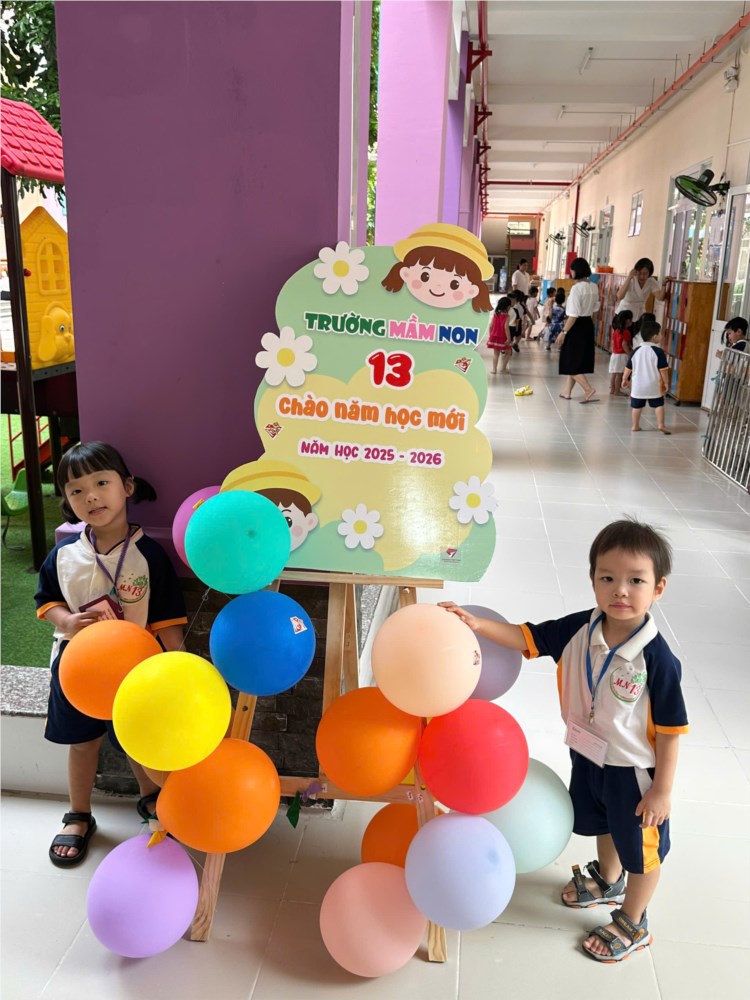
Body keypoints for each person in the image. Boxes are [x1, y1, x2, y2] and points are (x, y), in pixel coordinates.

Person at [439, 518, 688, 963]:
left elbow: (670, 733)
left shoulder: (658, 659)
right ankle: (608, 879)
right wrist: (476, 624)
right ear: (592, 580)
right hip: (588, 754)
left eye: (636, 581)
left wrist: (662, 790)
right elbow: (526, 637)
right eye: (607, 578)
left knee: (642, 852)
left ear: (659, 588)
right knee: (602, 824)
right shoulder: (580, 629)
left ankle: (634, 920)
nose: (620, 591)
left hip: (633, 774)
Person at [35, 441, 187, 866]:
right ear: (67, 501)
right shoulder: (64, 554)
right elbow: (46, 601)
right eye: (77, 490)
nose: (91, 497)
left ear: (127, 487)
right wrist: (67, 622)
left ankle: (152, 797)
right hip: (76, 671)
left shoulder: (149, 555)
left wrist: (178, 665)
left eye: (101, 483)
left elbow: (167, 619)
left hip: (135, 674)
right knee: (82, 743)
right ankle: (78, 815)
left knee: (138, 742)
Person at [557, 258, 600, 403]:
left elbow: (573, 315)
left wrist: (563, 332)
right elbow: (595, 309)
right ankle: (567, 391)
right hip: (587, 324)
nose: (571, 272)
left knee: (569, 361)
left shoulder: (576, 289)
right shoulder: (594, 286)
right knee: (575, 360)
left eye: (572, 269)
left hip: (575, 326)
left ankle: (588, 389)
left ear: (576, 271)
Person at [622, 322, 671, 434]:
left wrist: (624, 379)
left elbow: (628, 367)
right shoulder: (658, 352)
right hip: (654, 385)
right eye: (660, 333)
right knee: (659, 405)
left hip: (638, 386)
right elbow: (663, 370)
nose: (662, 336)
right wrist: (666, 382)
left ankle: (635, 425)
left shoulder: (636, 351)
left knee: (636, 407)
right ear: (654, 336)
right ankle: (661, 424)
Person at [615, 258, 666, 324]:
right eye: (640, 273)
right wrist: (629, 277)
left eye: (645, 274)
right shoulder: (631, 279)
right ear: (636, 271)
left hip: (640, 315)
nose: (642, 276)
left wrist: (664, 285)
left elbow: (660, 297)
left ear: (649, 273)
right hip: (625, 314)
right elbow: (619, 296)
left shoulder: (651, 281)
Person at [609, 310, 633, 396]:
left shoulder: (616, 331)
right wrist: (629, 354)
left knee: (614, 373)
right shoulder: (626, 332)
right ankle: (617, 391)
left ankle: (612, 389)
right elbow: (624, 344)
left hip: (614, 354)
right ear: (628, 321)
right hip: (621, 355)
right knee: (619, 374)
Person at [487, 296, 513, 373]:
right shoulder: (506, 316)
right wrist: (509, 338)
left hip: (494, 336)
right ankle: (503, 368)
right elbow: (506, 328)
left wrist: (490, 335)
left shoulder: (496, 314)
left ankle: (494, 369)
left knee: (496, 354)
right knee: (508, 352)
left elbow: (490, 326)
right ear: (507, 306)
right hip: (503, 337)